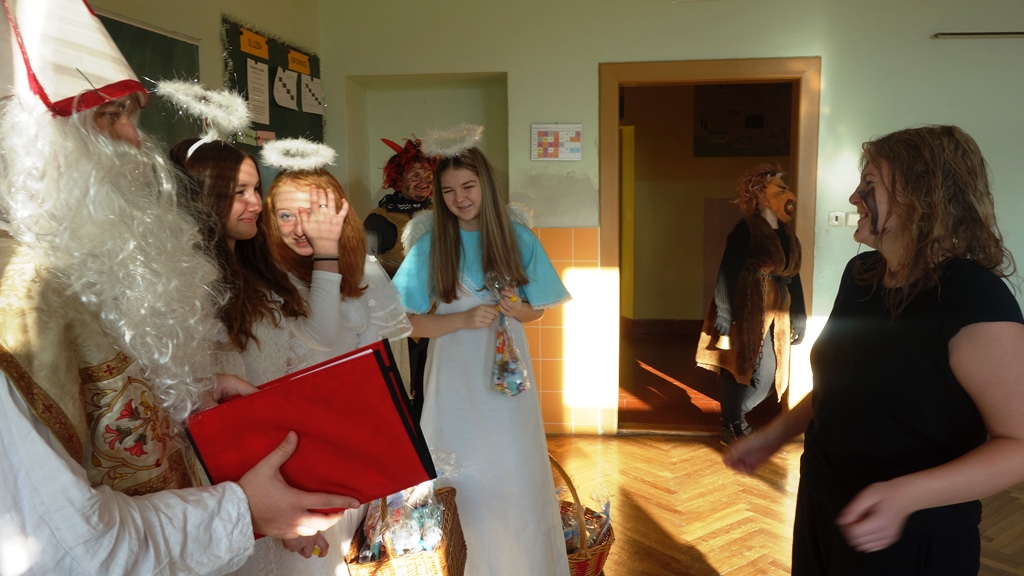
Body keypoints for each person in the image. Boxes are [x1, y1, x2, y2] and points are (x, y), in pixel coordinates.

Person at [0, 2, 356, 575]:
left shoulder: (90, 260)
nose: (135, 140)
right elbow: (69, 549)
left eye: (132, 115)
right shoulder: (15, 299)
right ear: (36, 142)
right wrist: (243, 513)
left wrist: (185, 400)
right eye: (111, 117)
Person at [724, 125, 1024, 575]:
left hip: (910, 533)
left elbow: (1018, 445)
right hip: (824, 500)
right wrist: (774, 435)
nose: (854, 198)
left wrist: (905, 496)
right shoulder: (861, 274)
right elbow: (844, 387)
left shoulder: (974, 298)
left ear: (923, 196)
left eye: (870, 184)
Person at [170, 137, 356, 575]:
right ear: (203, 196)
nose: (256, 202)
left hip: (281, 457)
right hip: (237, 479)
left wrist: (327, 251)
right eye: (239, 192)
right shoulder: (188, 282)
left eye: (256, 188)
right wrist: (271, 505)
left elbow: (319, 336)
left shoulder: (260, 271)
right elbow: (209, 410)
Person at [393, 145, 572, 575]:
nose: (460, 198)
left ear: (486, 186)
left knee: (513, 466)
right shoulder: (431, 245)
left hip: (508, 382)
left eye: (468, 186)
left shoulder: (517, 238)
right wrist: (461, 319)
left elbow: (537, 310)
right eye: (448, 190)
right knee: (458, 471)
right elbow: (405, 323)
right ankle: (456, 561)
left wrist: (517, 309)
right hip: (452, 379)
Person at [694, 164, 806, 445]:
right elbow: (727, 270)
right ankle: (732, 426)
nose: (786, 193)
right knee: (738, 366)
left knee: (768, 375)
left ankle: (733, 419)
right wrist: (725, 311)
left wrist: (799, 315)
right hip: (746, 306)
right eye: (778, 188)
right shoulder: (746, 229)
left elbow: (792, 275)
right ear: (759, 193)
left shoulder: (787, 233)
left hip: (777, 311)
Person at [364, 136, 437, 421]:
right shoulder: (379, 220)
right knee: (402, 390)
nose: (423, 182)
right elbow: (365, 273)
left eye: (428, 176)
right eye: (415, 175)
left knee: (433, 387)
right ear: (398, 178)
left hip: (441, 317)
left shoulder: (443, 215)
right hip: (396, 320)